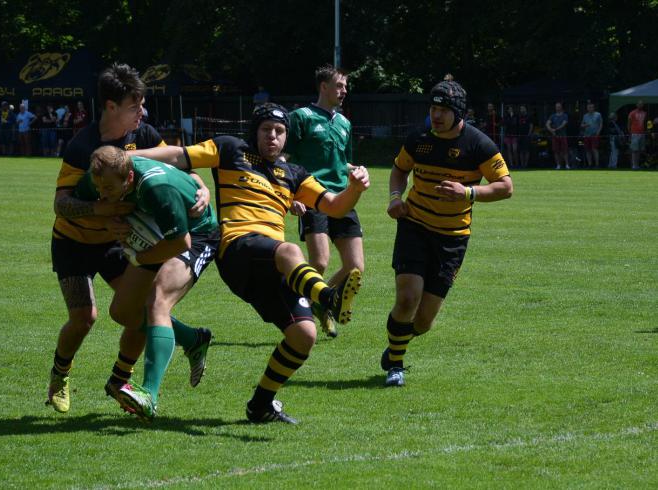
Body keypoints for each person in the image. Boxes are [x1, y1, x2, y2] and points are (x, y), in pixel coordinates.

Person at [131, 103, 369, 424]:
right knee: (289, 250)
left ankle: (261, 405)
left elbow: (335, 206)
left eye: (280, 131)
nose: (273, 137)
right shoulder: (231, 149)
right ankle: (328, 298)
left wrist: (355, 188)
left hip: (272, 264)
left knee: (304, 335)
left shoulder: (295, 174)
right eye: (266, 130)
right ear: (254, 131)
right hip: (237, 248)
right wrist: (127, 157)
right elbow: (178, 156)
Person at [45, 63, 211, 414]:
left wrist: (202, 187)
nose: (142, 112)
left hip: (117, 244)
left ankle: (121, 379)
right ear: (111, 106)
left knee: (138, 308)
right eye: (135, 106)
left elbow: (178, 165)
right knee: (84, 317)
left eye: (142, 104)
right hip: (74, 242)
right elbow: (62, 204)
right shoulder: (83, 145)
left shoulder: (145, 135)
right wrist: (104, 212)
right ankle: (60, 374)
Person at [72, 146, 219, 422]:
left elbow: (180, 243)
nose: (102, 193)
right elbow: (79, 205)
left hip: (196, 233)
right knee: (123, 312)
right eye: (98, 187)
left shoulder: (156, 189)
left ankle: (149, 396)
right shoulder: (101, 176)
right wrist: (107, 220)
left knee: (157, 301)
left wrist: (138, 257)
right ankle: (193, 339)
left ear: (129, 179)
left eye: (108, 188)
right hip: (156, 230)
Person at [381, 80, 513, 387]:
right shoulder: (419, 138)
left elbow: (506, 187)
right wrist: (395, 198)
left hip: (452, 238)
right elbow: (400, 169)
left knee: (424, 322)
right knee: (407, 299)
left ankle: (396, 344)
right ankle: (396, 366)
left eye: (443, 110)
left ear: (459, 113)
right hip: (415, 226)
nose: (436, 116)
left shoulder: (478, 144)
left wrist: (467, 192)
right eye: (433, 108)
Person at [285, 64, 362, 338]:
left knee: (355, 267)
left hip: (342, 198)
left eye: (345, 86)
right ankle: (296, 311)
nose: (344, 91)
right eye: (339, 85)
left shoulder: (344, 123)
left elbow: (343, 163)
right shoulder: (300, 117)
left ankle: (320, 301)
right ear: (324, 87)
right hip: (313, 196)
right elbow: (284, 160)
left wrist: (357, 170)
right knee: (318, 262)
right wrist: (290, 196)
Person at [546, 102, 569, 169]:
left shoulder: (565, 115)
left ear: (561, 107)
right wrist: (551, 130)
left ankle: (567, 164)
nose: (557, 108)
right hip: (555, 136)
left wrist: (555, 129)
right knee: (556, 151)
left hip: (563, 136)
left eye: (559, 106)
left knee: (564, 151)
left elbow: (564, 124)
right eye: (556, 106)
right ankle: (558, 165)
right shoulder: (552, 116)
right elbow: (547, 124)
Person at [581, 102, 603, 168]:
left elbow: (601, 124)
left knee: (594, 149)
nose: (590, 108)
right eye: (589, 107)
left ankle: (597, 164)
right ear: (587, 108)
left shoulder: (598, 114)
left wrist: (598, 132)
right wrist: (585, 125)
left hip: (595, 135)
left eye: (591, 107)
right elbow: (581, 125)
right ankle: (590, 164)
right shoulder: (585, 116)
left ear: (593, 108)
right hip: (586, 135)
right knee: (588, 150)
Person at [628, 101, 648, 170]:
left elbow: (645, 123)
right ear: (636, 105)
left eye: (642, 104)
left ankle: (637, 165)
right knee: (634, 150)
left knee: (639, 150)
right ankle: (634, 165)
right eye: (639, 104)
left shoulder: (645, 113)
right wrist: (630, 133)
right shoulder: (632, 113)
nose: (640, 105)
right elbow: (629, 123)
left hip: (642, 133)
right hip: (634, 133)